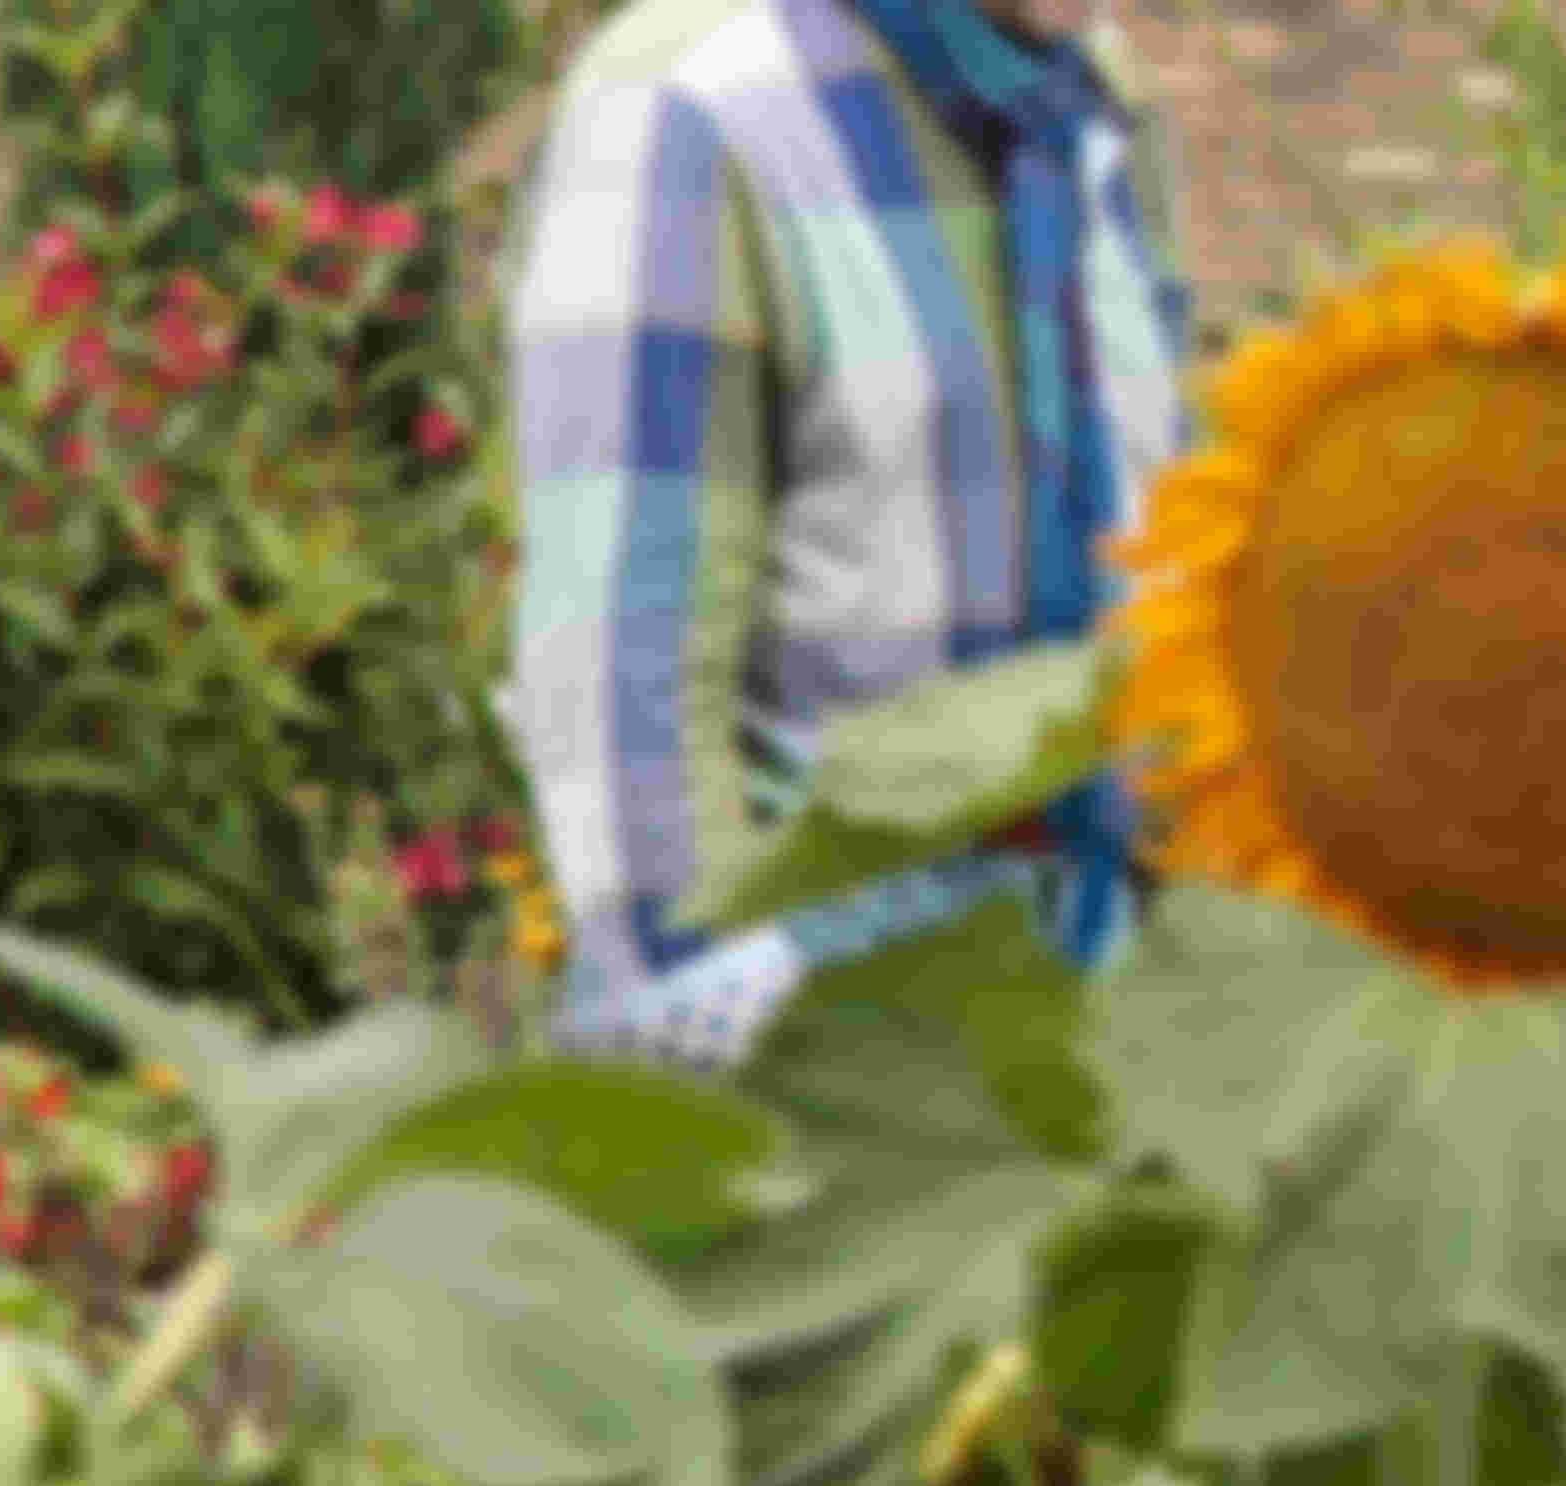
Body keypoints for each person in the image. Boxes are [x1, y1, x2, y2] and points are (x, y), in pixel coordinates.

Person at [499, 0, 1197, 1068]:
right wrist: (733, 1061)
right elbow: (619, 678)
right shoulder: (687, 104)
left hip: (1097, 982)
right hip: (822, 1003)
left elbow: (1161, 536)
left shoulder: (1091, 106)